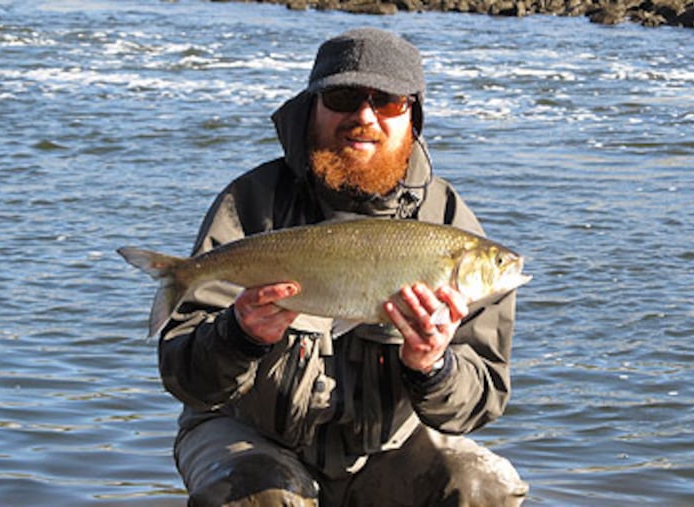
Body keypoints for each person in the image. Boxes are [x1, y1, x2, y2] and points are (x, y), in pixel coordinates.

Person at [158, 27, 528, 506]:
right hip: (248, 433)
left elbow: (480, 400)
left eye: (388, 102)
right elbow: (186, 380)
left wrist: (433, 365)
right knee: (260, 498)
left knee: (484, 488)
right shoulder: (249, 203)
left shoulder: (451, 222)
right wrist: (239, 335)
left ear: (413, 115)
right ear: (312, 106)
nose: (364, 117)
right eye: (343, 97)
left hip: (388, 448)